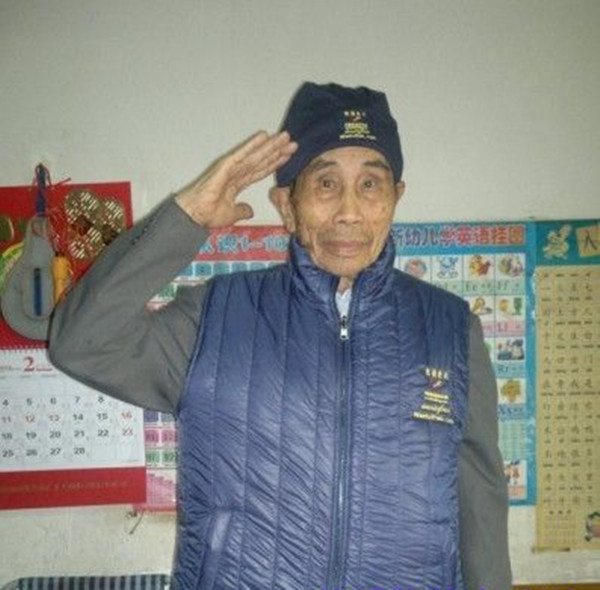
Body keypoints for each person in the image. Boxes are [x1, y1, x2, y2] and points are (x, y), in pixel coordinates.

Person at [49, 82, 511, 590]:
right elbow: (82, 342)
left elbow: (481, 512)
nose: (350, 211)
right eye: (326, 184)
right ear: (287, 205)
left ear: (395, 198)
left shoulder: (450, 329)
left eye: (370, 184)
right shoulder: (216, 319)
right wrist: (187, 217)